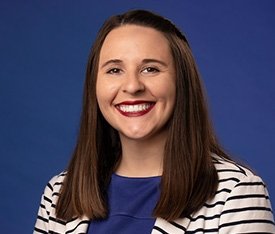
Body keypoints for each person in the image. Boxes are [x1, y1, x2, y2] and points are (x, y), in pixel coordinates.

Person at [34, 9, 275, 233]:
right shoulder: (60, 192)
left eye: (150, 69)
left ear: (181, 82)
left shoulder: (235, 193)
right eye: (114, 70)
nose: (132, 86)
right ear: (94, 86)